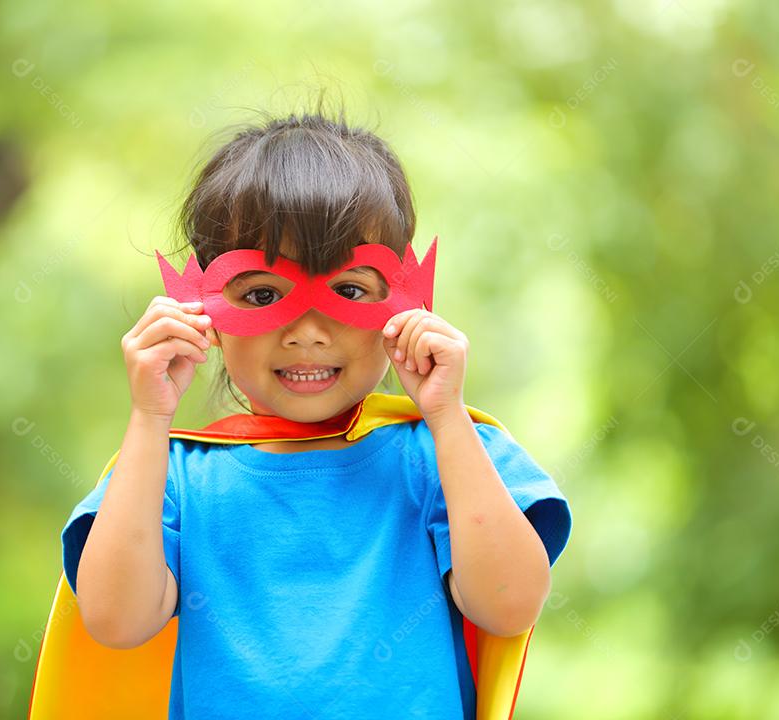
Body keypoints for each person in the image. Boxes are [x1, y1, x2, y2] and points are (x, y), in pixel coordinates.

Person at [58, 107, 572, 719]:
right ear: (203, 314)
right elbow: (116, 620)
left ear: (405, 303)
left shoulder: (443, 455)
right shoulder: (172, 475)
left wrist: (446, 415)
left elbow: (510, 604)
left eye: (349, 291)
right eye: (261, 295)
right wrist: (148, 415)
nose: (306, 332)